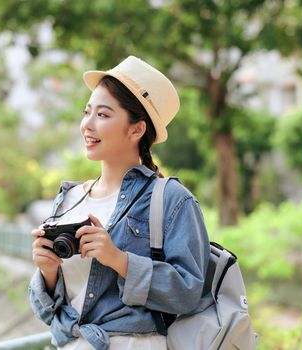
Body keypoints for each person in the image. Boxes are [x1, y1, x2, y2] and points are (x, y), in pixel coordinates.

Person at [29, 56, 210, 350]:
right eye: (87, 112)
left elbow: (188, 292)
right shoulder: (70, 199)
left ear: (136, 129)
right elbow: (48, 312)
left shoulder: (171, 199)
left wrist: (119, 260)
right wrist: (47, 271)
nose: (87, 124)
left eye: (103, 115)